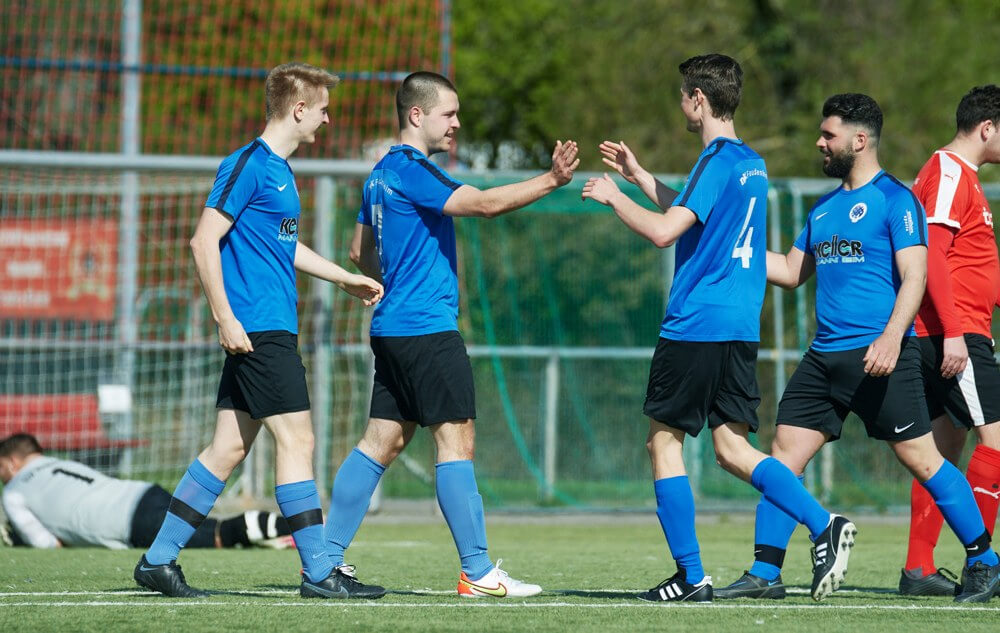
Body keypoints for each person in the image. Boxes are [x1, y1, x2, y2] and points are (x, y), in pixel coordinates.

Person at [581, 53, 853, 603]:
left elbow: (664, 233)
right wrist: (638, 176)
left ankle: (690, 575)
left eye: (683, 95)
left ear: (699, 99)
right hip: (737, 327)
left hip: (696, 324)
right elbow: (692, 217)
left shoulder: (714, 158)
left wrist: (614, 198)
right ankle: (823, 522)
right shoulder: (750, 163)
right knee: (731, 448)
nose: (681, 104)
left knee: (663, 441)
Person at [713, 93, 1000, 603]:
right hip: (824, 357)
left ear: (859, 140)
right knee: (783, 456)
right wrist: (734, 245)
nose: (820, 142)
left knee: (925, 461)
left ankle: (985, 560)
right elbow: (789, 273)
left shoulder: (896, 199)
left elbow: (916, 274)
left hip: (881, 357)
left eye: (829, 135)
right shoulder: (823, 209)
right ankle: (764, 572)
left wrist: (892, 337)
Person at [133, 62, 384, 599]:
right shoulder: (247, 163)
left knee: (226, 449)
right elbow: (204, 242)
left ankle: (158, 561)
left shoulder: (281, 172)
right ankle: (319, 571)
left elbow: (283, 247)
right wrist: (225, 317)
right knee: (299, 439)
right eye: (321, 109)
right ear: (298, 110)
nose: (327, 119)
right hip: (258, 331)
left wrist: (345, 278)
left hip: (266, 329)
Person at [327, 70, 579, 599]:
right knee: (456, 441)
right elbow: (484, 204)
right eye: (449, 113)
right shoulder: (412, 170)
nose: (457, 124)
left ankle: (324, 562)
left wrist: (383, 282)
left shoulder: (378, 175)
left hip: (392, 329)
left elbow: (358, 252)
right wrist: (552, 181)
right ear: (416, 115)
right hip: (426, 330)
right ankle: (478, 572)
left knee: (381, 441)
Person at [900, 84, 1000, 596]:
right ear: (987, 128)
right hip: (953, 333)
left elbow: (974, 266)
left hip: (955, 330)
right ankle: (983, 567)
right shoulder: (947, 172)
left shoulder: (967, 180)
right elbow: (932, 255)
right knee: (996, 445)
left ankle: (918, 568)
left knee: (943, 448)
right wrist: (956, 333)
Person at [0, 433, 292, 550]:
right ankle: (278, 535)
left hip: (127, 520)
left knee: (221, 535)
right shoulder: (56, 462)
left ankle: (301, 526)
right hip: (142, 492)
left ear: (12, 463)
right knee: (212, 529)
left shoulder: (13, 491)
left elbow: (45, 544)